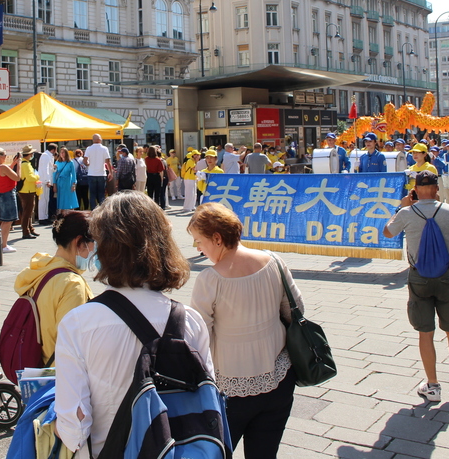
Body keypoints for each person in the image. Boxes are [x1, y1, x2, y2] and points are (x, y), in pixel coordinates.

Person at [55, 192, 211, 456]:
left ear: (104, 248)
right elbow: (207, 401)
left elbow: (74, 428)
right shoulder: (190, 321)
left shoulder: (78, 323)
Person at [188, 203, 301, 457]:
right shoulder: (274, 261)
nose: (197, 248)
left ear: (217, 238)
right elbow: (295, 310)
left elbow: (198, 339)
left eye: (199, 241)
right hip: (280, 377)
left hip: (230, 387)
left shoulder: (210, 279)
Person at [383, 171, 449, 402]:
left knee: (425, 332)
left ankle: (432, 385)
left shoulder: (407, 213)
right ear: (436, 188)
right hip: (446, 275)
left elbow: (388, 231)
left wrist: (401, 208)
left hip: (419, 277)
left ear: (417, 190)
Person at [13, 211, 94, 365]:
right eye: (94, 243)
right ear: (79, 242)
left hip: (40, 366)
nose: (96, 250)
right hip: (60, 374)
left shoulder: (41, 269)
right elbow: (71, 344)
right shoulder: (72, 284)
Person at [0, 149, 20, 254]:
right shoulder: (3, 167)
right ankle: (3, 245)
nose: (6, 157)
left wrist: (13, 163)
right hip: (8, 193)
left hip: (1, 193)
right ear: (0, 156)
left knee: (5, 220)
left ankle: (1, 243)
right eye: (5, 155)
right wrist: (19, 165)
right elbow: (17, 177)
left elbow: (5, 173)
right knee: (8, 220)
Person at [17, 145, 41, 239]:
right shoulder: (26, 164)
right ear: (29, 154)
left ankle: (30, 229)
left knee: (29, 211)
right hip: (27, 190)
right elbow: (30, 177)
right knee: (27, 212)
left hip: (28, 189)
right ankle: (26, 232)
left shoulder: (25, 163)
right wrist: (38, 177)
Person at [83, 134, 112, 210]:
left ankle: (93, 211)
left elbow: (85, 161)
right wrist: (111, 172)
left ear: (93, 140)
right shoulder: (104, 148)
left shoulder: (89, 148)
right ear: (100, 139)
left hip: (91, 174)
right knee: (101, 195)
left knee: (92, 195)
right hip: (101, 174)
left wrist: (88, 164)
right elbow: (108, 161)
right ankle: (101, 212)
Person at [38, 143, 58, 225]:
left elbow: (48, 168)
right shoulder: (46, 155)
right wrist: (47, 180)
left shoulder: (48, 156)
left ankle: (45, 216)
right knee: (43, 199)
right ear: (53, 150)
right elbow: (45, 169)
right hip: (44, 181)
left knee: (46, 200)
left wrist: (53, 167)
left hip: (46, 180)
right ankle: (42, 217)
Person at [53, 148, 78, 212]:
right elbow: (54, 174)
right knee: (61, 199)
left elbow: (73, 174)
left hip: (68, 183)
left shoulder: (70, 163)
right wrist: (54, 184)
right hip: (60, 183)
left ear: (66, 153)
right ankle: (61, 213)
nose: (62, 154)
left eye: (63, 152)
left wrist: (73, 185)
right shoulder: (57, 162)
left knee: (69, 198)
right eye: (61, 152)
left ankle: (70, 212)